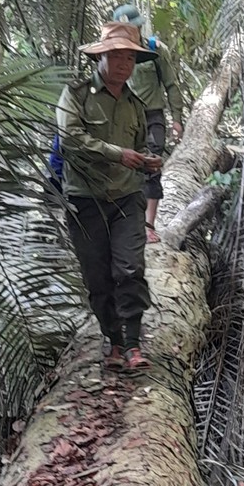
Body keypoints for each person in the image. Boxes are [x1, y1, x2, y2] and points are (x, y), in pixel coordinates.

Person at [56, 22, 163, 372]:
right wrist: (118, 153)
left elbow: (141, 145)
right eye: (116, 56)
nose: (124, 64)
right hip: (85, 200)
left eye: (130, 58)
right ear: (100, 58)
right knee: (97, 276)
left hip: (126, 198)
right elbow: (69, 138)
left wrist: (148, 162)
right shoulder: (77, 94)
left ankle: (133, 344)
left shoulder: (135, 103)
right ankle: (113, 341)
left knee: (130, 268)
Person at [112, 4, 185, 243]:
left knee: (151, 167)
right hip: (123, 117)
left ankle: (148, 225)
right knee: (123, 168)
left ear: (140, 27)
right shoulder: (111, 54)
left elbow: (171, 85)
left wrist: (176, 119)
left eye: (131, 29)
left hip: (152, 117)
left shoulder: (155, 51)